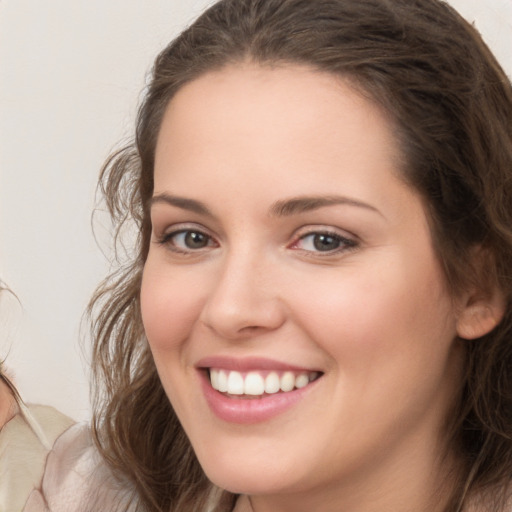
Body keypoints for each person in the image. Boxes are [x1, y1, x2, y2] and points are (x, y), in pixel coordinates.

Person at [85, 0, 512, 511]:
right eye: (191, 237)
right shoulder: (72, 492)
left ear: (478, 284)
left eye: (323, 240)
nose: (230, 309)